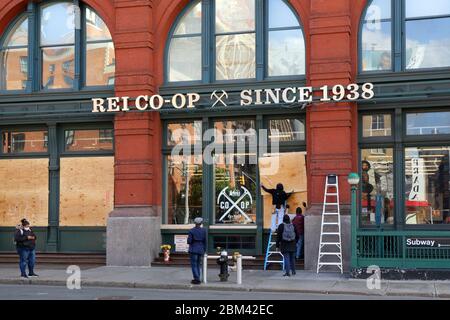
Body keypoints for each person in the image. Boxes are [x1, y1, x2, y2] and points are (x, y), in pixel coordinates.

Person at [187, 217, 206, 285]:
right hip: (201, 249)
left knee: (194, 265)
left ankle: (196, 278)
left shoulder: (191, 231)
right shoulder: (204, 230)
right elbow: (205, 241)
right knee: (198, 264)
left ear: (195, 223)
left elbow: (189, 241)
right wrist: (204, 250)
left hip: (193, 249)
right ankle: (198, 277)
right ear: (201, 223)